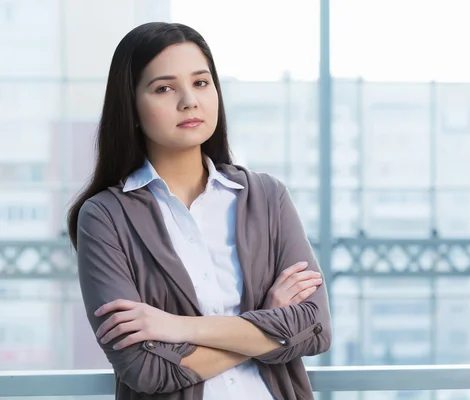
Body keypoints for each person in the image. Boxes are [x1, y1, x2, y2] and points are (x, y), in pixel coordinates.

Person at [66, 22, 332, 400]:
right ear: (132, 107)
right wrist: (266, 326)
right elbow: (146, 370)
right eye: (164, 88)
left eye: (201, 83)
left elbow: (314, 327)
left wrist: (178, 327)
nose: (189, 100)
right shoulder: (105, 217)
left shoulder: (267, 197)